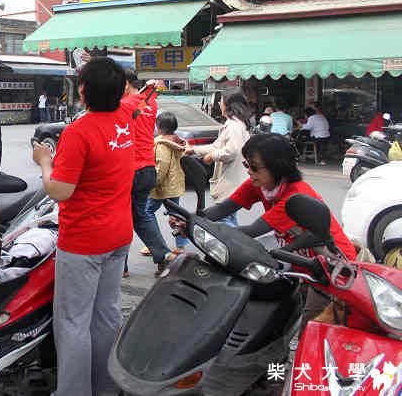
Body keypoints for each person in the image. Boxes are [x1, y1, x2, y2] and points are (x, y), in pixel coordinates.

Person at [31, 57, 135, 396]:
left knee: (74, 321)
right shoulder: (125, 120)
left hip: (84, 241)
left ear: (83, 90)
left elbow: (59, 190)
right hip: (119, 234)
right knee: (106, 315)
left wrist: (44, 161)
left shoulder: (79, 132)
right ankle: (106, 388)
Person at [174, 133, 357, 322]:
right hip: (301, 262)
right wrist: (192, 220)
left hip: (331, 266)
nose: (249, 171)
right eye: (246, 165)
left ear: (277, 167)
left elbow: (252, 231)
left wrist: (201, 230)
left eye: (254, 167)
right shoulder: (261, 184)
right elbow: (223, 208)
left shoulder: (294, 196)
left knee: (309, 323)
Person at [121, 69, 172, 276]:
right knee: (140, 216)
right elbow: (140, 106)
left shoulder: (125, 104)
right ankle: (164, 256)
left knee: (121, 217)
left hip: (130, 170)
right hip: (148, 168)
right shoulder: (150, 103)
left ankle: (120, 266)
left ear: (125, 84)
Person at [188, 89, 251, 228]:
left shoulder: (234, 126)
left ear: (228, 105)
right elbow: (216, 146)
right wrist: (193, 150)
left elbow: (231, 151)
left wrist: (212, 156)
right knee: (228, 218)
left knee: (225, 221)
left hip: (231, 182)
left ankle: (234, 242)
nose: (219, 104)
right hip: (231, 182)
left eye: (221, 101)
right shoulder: (234, 124)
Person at [146, 112, 188, 253]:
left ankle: (156, 244)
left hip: (162, 187)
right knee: (176, 215)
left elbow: (161, 167)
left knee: (147, 212)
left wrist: (152, 182)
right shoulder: (177, 141)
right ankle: (180, 246)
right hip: (174, 185)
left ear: (158, 127)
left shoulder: (161, 144)